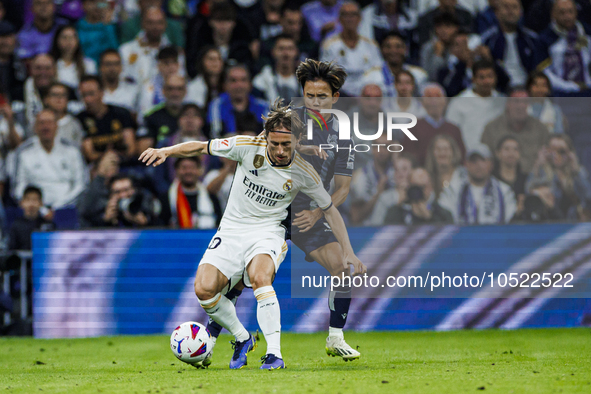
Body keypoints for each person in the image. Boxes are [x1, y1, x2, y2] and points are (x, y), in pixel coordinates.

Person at [140, 100, 365, 370]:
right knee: (204, 290)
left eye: (287, 145)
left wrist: (348, 250)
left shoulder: (305, 173)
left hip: (268, 231)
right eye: (275, 144)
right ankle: (243, 337)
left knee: (260, 278)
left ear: (298, 140)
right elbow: (200, 146)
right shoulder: (245, 147)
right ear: (265, 138)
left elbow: (330, 211)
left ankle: (274, 354)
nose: (280, 151)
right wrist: (165, 150)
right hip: (232, 229)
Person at [13, 110, 87, 210]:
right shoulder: (24, 152)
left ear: (57, 126)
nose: (46, 127)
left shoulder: (72, 150)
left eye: (49, 123)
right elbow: (18, 187)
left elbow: (80, 185)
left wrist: (59, 206)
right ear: (35, 127)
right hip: (34, 210)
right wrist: (41, 209)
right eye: (42, 123)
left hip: (67, 207)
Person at [439, 143, 517, 224]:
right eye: (474, 161)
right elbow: (444, 218)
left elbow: (511, 222)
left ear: (491, 164)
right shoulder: (453, 189)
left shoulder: (504, 191)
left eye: (483, 160)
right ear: (466, 164)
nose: (478, 165)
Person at [319, 2, 382, 97]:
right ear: (339, 19)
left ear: (360, 18)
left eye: (353, 15)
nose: (349, 19)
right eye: (345, 15)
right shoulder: (329, 45)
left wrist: (365, 93)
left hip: (366, 95)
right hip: (340, 96)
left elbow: (376, 72)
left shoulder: (371, 45)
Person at [481, 88, 550, 173]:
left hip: (533, 179)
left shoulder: (540, 129)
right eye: (516, 101)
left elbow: (548, 158)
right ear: (508, 104)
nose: (520, 106)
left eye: (524, 102)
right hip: (499, 180)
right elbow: (483, 159)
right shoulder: (491, 129)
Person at [478, 0, 545, 88]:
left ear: (521, 13)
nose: (511, 11)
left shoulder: (532, 39)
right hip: (500, 89)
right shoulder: (487, 40)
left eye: (514, 7)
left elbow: (539, 68)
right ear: (497, 13)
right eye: (506, 7)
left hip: (528, 89)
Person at [527, 134, 591, 220]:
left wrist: (576, 171)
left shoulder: (578, 172)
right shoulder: (542, 171)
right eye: (552, 150)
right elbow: (529, 194)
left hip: (575, 222)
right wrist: (538, 166)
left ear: (569, 153)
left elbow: (588, 197)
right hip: (549, 221)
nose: (556, 155)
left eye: (561, 151)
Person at [445, 60, 505, 150]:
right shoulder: (458, 102)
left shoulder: (503, 102)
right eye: (482, 77)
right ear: (473, 79)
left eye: (490, 76)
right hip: (469, 156)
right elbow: (450, 133)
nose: (486, 81)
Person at [77, 75, 136, 162]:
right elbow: (90, 155)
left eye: (91, 94)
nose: (88, 100)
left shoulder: (121, 114)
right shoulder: (80, 119)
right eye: (84, 95)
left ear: (102, 92)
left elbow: (131, 149)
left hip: (124, 163)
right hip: (97, 166)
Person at [538, 0, 591, 95]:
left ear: (576, 13)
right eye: (562, 12)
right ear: (553, 14)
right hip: (560, 92)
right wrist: (569, 87)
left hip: (588, 89)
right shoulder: (545, 39)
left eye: (570, 12)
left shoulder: (587, 32)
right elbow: (544, 72)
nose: (567, 16)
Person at [405, 83, 465, 166]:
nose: (434, 101)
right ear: (422, 102)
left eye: (438, 96)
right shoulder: (412, 128)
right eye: (429, 97)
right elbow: (409, 158)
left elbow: (461, 157)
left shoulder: (454, 129)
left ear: (445, 101)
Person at [119, 6, 181, 87]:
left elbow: (181, 78)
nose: (155, 27)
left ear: (165, 25)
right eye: (150, 22)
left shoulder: (175, 52)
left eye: (159, 22)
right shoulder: (126, 50)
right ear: (142, 24)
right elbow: (121, 79)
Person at [206, 64, 269, 138]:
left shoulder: (263, 107)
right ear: (225, 84)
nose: (239, 85)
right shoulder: (216, 105)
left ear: (250, 84)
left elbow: (270, 138)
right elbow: (213, 137)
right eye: (233, 80)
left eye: (243, 80)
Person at [362, 31, 428, 98]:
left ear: (406, 49)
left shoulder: (418, 75)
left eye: (398, 46)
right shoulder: (371, 77)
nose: (393, 51)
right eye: (388, 47)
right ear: (382, 50)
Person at [349, 133, 395, 226]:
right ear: (372, 149)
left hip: (394, 229)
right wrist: (378, 194)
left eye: (385, 146)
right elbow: (356, 218)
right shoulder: (360, 177)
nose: (381, 151)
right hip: (366, 232)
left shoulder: (397, 174)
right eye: (377, 146)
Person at [161, 156, 219, 229]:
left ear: (199, 170)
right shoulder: (166, 198)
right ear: (176, 171)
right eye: (184, 168)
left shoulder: (211, 198)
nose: (188, 171)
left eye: (192, 168)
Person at [384, 168, 454, 225]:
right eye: (415, 187)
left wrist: (429, 218)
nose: (419, 191)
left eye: (423, 187)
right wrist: (400, 206)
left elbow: (447, 238)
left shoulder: (443, 214)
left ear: (431, 187)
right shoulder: (396, 211)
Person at [137, 74, 187, 153]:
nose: (175, 93)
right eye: (170, 89)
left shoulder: (194, 115)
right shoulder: (151, 117)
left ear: (185, 91)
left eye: (179, 89)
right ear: (163, 91)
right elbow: (143, 150)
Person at [366, 153, 415, 227]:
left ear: (413, 171)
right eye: (396, 169)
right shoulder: (385, 198)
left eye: (404, 169)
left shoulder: (421, 193)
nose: (400, 173)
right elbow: (374, 226)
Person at [253, 34, 301, 104]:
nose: (286, 54)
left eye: (290, 49)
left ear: (296, 52)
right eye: (281, 49)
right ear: (273, 52)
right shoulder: (261, 80)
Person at [137, 46, 182, 119]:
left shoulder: (185, 85)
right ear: (159, 65)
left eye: (174, 62)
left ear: (178, 65)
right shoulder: (149, 87)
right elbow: (144, 114)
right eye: (166, 63)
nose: (171, 67)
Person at [119, 0, 185, 47]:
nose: (151, 3)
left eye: (154, 0)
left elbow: (179, 52)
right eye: (146, 0)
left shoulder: (174, 26)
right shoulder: (129, 25)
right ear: (139, 3)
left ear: (161, 2)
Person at [50, 24, 97, 90]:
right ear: (57, 40)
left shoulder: (88, 64)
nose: (69, 41)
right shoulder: (51, 64)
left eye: (72, 37)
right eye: (64, 37)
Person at [8, 186, 55, 251]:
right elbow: (11, 251)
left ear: (41, 203)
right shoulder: (16, 225)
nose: (31, 204)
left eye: (35, 200)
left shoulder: (48, 225)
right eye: (28, 199)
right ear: (22, 202)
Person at [420, 12, 461, 82]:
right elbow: (430, 77)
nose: (443, 30)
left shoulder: (461, 46)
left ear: (456, 28)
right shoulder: (428, 48)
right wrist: (438, 55)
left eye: (448, 26)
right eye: (439, 26)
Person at [76, 0, 119, 64]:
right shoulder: (77, 27)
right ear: (83, 5)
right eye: (92, 2)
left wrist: (107, 25)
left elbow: (115, 50)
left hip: (105, 67)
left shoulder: (110, 27)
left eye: (100, 3)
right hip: (84, 66)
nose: (96, 6)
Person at [99, 49, 140, 115]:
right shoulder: (95, 92)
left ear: (121, 67)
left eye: (116, 64)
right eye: (108, 64)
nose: (112, 68)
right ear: (101, 67)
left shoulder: (133, 90)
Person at [425, 134, 466, 198]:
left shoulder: (464, 175)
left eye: (446, 149)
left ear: (453, 152)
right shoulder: (426, 177)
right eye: (438, 149)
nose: (442, 153)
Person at [43, 82, 84, 146]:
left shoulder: (75, 124)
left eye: (63, 95)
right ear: (46, 99)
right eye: (55, 95)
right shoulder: (38, 123)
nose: (59, 98)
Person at [493, 135, 528, 206]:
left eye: (515, 149)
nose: (511, 153)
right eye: (506, 149)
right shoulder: (491, 179)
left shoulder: (526, 180)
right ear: (497, 153)